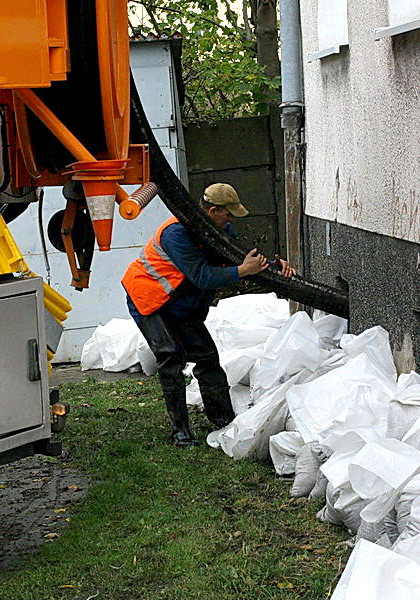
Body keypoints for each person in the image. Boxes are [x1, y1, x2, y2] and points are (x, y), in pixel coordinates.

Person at [122, 183, 296, 447]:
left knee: (207, 358)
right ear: (213, 210)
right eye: (227, 214)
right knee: (170, 356)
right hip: (150, 298)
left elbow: (236, 260)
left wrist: (272, 265)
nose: (231, 220)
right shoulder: (176, 233)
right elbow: (203, 276)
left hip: (180, 303)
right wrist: (243, 271)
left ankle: (224, 422)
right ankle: (180, 432)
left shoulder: (219, 229)